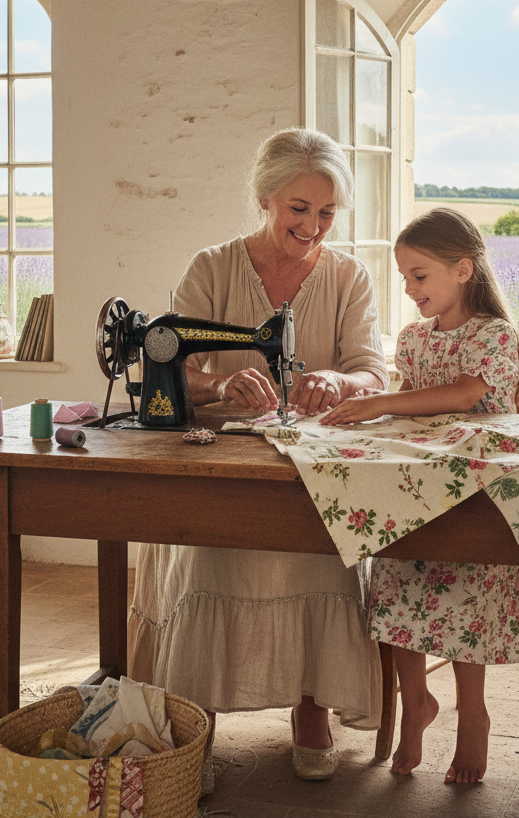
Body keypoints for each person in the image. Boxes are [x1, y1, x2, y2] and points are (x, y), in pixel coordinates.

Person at [127, 128, 389, 789]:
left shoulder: (348, 276)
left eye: (327, 213)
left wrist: (337, 383)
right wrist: (221, 385)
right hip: (216, 458)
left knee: (325, 551)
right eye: (300, 209)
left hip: (307, 462)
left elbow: (372, 375)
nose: (313, 226)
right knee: (208, 552)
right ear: (265, 198)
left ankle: (312, 710)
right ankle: (196, 724)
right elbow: (167, 363)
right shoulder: (212, 267)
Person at [321, 206, 519, 785]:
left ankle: (471, 711)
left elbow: (462, 394)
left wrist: (378, 403)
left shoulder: (498, 337)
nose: (409, 289)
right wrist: (365, 416)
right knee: (396, 578)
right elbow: (415, 412)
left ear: (463, 270)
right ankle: (415, 702)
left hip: (477, 500)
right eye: (403, 277)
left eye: (419, 276)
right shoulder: (411, 340)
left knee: (465, 595)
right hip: (415, 494)